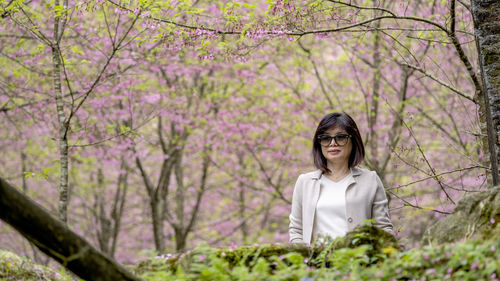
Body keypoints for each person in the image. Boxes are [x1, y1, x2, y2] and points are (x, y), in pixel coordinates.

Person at [289, 112, 393, 244]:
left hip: (358, 261)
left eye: (341, 137)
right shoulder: (305, 182)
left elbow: (383, 229)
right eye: (326, 138)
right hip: (316, 262)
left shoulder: (370, 180)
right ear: (319, 143)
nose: (333, 143)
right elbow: (296, 230)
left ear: (353, 140)